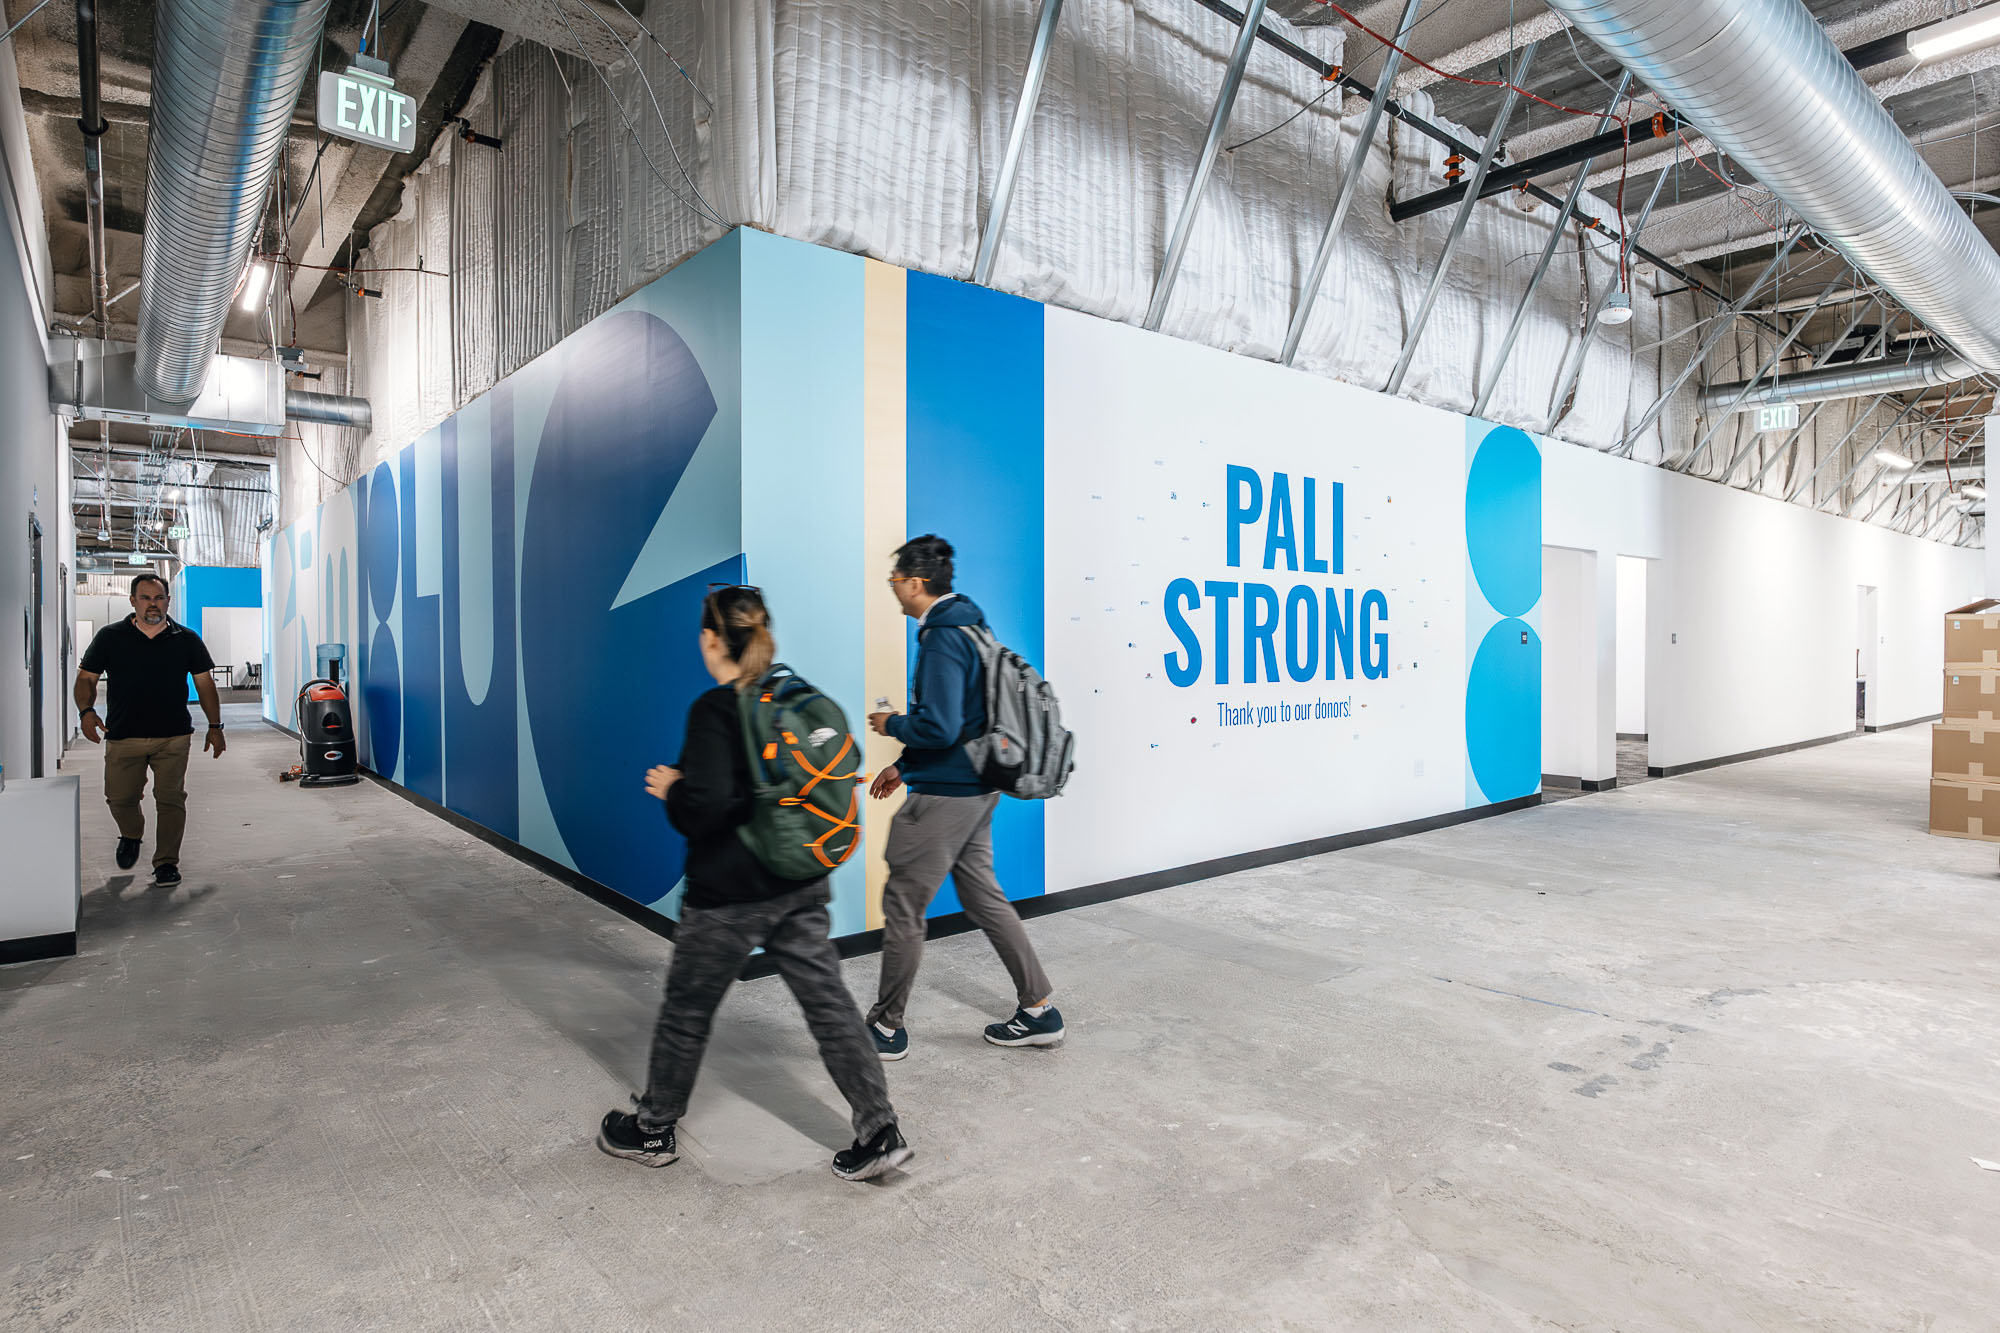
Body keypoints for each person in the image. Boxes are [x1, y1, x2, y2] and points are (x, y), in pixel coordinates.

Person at [597, 585, 915, 1182]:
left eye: (703, 632)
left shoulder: (716, 710)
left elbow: (706, 810)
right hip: (802, 881)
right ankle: (879, 1130)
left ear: (713, 639)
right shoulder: (792, 695)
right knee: (830, 1007)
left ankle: (652, 1128)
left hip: (729, 895)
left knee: (688, 1008)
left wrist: (674, 788)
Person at [865, 535, 1064, 1060]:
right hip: (976, 791)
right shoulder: (974, 626)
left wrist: (892, 724)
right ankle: (1039, 1009)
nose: (893, 591)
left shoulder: (940, 638)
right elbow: (968, 724)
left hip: (944, 802)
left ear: (913, 582)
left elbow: (941, 724)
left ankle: (885, 1028)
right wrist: (904, 766)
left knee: (904, 906)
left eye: (894, 582)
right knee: (984, 898)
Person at [73, 573, 226, 887]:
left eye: (159, 598)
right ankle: (131, 833)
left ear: (167, 601)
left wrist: (215, 726)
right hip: (123, 735)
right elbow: (86, 679)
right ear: (133, 601)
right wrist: (86, 712)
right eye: (145, 598)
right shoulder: (109, 637)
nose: (152, 604)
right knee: (119, 798)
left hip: (173, 736)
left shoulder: (187, 639)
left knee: (170, 799)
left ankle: (166, 863)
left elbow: (205, 684)